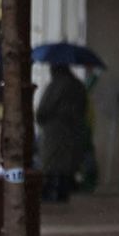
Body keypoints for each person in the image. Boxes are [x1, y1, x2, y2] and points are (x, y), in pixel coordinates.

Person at [35, 62, 90, 202]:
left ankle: (52, 191)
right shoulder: (78, 86)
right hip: (73, 131)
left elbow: (43, 108)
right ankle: (63, 190)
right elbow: (83, 107)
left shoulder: (55, 85)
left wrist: (42, 119)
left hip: (55, 131)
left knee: (52, 163)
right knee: (67, 163)